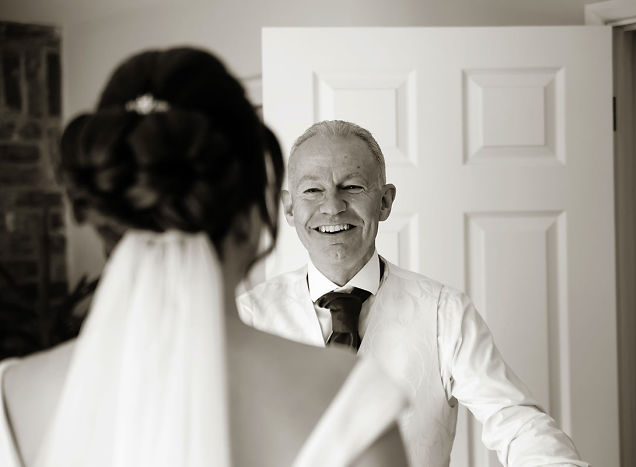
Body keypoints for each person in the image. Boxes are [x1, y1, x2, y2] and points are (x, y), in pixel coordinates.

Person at [0, 50, 408, 467]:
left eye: (352, 187)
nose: (332, 206)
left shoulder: (12, 398)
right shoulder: (349, 402)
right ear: (256, 217)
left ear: (107, 218)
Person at [237, 120, 589, 467]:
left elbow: (513, 420)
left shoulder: (444, 312)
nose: (332, 206)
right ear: (288, 207)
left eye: (353, 187)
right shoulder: (248, 317)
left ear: (385, 202)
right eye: (312, 190)